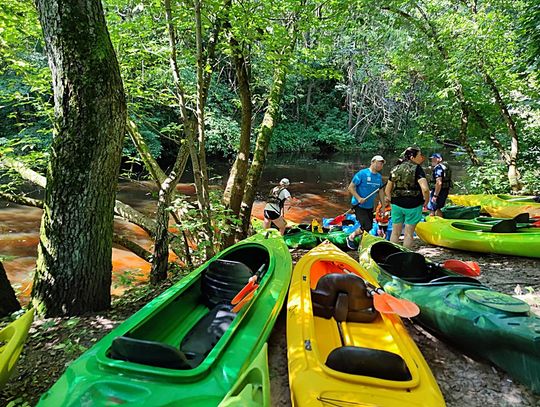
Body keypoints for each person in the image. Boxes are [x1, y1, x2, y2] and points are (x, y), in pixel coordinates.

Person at [385, 147, 430, 249]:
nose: (421, 157)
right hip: (413, 204)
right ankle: (405, 256)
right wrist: (426, 201)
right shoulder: (417, 169)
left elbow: (387, 190)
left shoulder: (395, 168)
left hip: (396, 204)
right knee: (408, 234)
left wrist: (392, 201)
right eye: (419, 155)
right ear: (412, 157)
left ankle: (393, 254)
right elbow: (425, 189)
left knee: (395, 232)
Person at [346, 155, 386, 249]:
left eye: (382, 163)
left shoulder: (379, 177)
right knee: (367, 226)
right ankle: (351, 237)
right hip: (358, 204)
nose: (380, 165)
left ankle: (361, 242)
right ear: (372, 162)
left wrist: (383, 205)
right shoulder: (362, 174)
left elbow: (380, 191)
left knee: (369, 226)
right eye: (379, 162)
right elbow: (351, 187)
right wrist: (359, 198)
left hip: (369, 206)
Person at [427, 153, 452, 217]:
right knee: (438, 208)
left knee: (432, 209)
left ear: (439, 159)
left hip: (438, 191)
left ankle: (431, 224)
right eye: (432, 159)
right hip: (444, 190)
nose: (432, 160)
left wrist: (435, 195)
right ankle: (439, 223)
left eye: (434, 159)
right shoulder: (446, 166)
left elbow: (439, 182)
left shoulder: (438, 168)